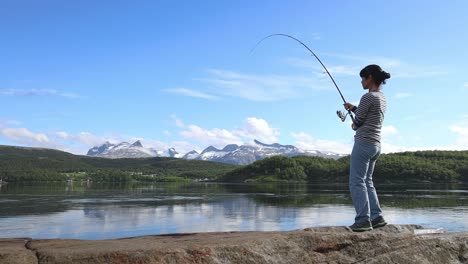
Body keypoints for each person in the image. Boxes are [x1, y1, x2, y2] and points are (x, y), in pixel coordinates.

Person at [343, 64, 391, 232]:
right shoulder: (381, 97)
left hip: (363, 143)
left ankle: (363, 220)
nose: (361, 81)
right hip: (376, 145)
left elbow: (358, 123)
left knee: (357, 182)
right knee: (368, 182)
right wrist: (353, 108)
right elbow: (368, 114)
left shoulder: (367, 97)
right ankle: (376, 217)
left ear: (369, 77)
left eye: (363, 78)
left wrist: (353, 124)